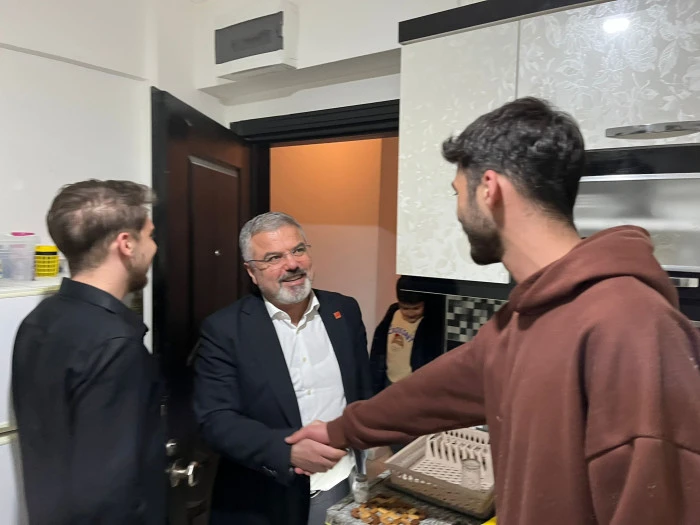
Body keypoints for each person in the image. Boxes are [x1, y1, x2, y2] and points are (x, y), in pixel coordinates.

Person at [286, 98, 700, 524]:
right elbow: (434, 392)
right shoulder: (521, 322)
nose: (459, 212)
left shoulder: (630, 324)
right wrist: (338, 430)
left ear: (489, 189)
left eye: (458, 193)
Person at [192, 212, 372, 525]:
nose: (292, 264)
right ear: (252, 271)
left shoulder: (344, 311)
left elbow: (363, 391)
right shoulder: (224, 330)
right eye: (273, 258)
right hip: (267, 499)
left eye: (298, 250)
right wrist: (285, 451)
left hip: (344, 484)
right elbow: (215, 420)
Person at [12, 180, 164, 524]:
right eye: (150, 235)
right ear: (126, 243)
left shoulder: (39, 320)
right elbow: (109, 493)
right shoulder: (115, 345)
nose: (154, 247)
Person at [369, 275, 443, 396]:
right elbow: (378, 346)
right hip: (389, 380)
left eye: (416, 308)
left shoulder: (428, 322)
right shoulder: (393, 312)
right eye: (404, 308)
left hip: (412, 384)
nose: (410, 313)